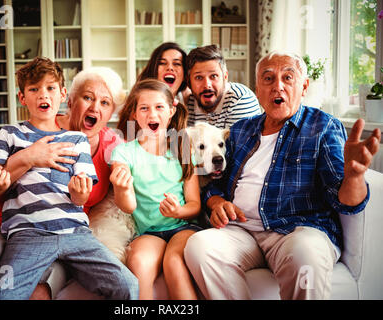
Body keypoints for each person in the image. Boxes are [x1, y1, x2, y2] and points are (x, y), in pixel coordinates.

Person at [184, 51, 381, 300]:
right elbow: (216, 184)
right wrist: (216, 202)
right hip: (241, 231)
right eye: (268, 79)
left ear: (304, 86)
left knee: (305, 257)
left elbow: (346, 203)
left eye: (288, 78)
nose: (278, 86)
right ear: (258, 89)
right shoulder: (241, 130)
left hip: (299, 230)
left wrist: (354, 176)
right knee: (200, 247)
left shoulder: (323, 127)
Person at [0, 64, 129, 300]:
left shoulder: (109, 144)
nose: (94, 107)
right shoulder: (18, 133)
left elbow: (126, 182)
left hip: (57, 230)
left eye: (105, 103)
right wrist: (28, 157)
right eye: (87, 97)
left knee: (39, 291)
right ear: (70, 99)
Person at [111, 79, 201, 299]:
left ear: (171, 111)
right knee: (139, 261)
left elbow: (194, 204)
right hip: (149, 232)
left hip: (182, 227)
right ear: (133, 114)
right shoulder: (124, 153)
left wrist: (178, 212)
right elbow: (128, 206)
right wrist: (122, 189)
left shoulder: (182, 147)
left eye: (159, 107)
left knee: (174, 261)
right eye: (144, 108)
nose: (152, 114)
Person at [117, 42, 189, 140]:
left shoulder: (187, 99)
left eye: (177, 64)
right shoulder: (138, 100)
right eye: (162, 63)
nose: (170, 68)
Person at [186, 44, 261, 129]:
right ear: (189, 82)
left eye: (213, 76)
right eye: (199, 77)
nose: (207, 85)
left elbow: (236, 142)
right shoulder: (189, 102)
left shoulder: (241, 99)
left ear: (225, 77)